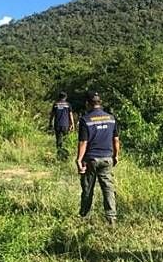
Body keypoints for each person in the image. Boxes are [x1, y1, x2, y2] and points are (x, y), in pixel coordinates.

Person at [76, 91, 120, 225]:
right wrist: (116, 155)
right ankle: (111, 218)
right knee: (108, 188)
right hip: (107, 158)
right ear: (99, 102)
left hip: (91, 159)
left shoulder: (85, 120)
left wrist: (79, 159)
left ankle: (84, 216)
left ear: (87, 103)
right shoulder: (111, 118)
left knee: (88, 188)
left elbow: (84, 142)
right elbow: (116, 139)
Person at [49, 91, 75, 158]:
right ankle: (66, 155)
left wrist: (50, 123)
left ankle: (59, 154)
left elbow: (52, 115)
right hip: (65, 125)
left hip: (57, 125)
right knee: (65, 140)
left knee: (58, 140)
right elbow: (70, 115)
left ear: (59, 97)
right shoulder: (68, 104)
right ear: (65, 97)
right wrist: (72, 124)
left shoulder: (55, 104)